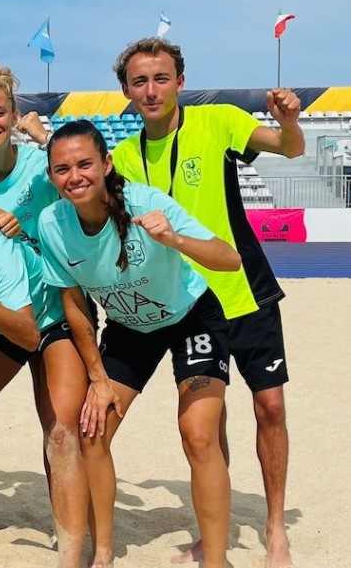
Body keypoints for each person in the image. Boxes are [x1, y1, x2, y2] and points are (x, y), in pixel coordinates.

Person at [110, 37, 302, 568]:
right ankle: (210, 528)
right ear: (126, 90)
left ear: (180, 83)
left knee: (270, 406)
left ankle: (274, 525)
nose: (151, 90)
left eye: (161, 78)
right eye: (140, 81)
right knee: (207, 421)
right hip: (184, 303)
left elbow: (289, 148)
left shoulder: (218, 120)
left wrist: (287, 122)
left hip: (243, 289)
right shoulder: (123, 158)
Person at [39, 120, 242, 568]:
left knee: (199, 434)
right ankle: (105, 553)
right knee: (92, 433)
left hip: (191, 316)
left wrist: (174, 239)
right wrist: (97, 379)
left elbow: (230, 259)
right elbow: (73, 304)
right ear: (51, 176)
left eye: (85, 164)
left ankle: (215, 559)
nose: (75, 176)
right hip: (130, 329)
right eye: (62, 168)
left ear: (106, 163)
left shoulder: (146, 203)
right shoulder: (52, 223)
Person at [0, 63, 90, 564]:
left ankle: (68, 536)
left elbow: (83, 179)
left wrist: (44, 134)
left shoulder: (39, 164)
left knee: (60, 426)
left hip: (55, 314)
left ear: (13, 115)